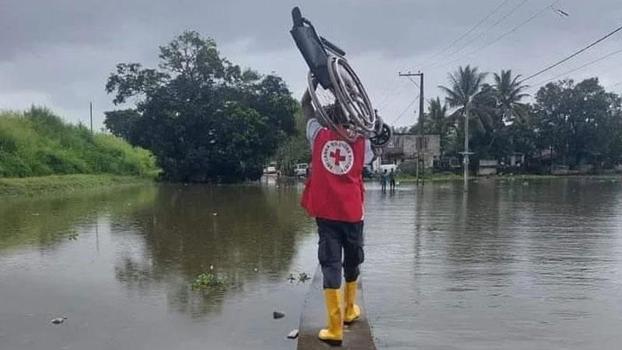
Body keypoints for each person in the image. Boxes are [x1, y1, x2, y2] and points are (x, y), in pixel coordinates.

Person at [300, 90, 374, 346]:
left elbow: (305, 107)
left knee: (330, 264)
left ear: (328, 117)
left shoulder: (318, 135)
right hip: (353, 213)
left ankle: (334, 327)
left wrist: (312, 91)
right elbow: (374, 141)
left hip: (327, 213)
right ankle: (351, 309)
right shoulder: (364, 142)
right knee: (352, 260)